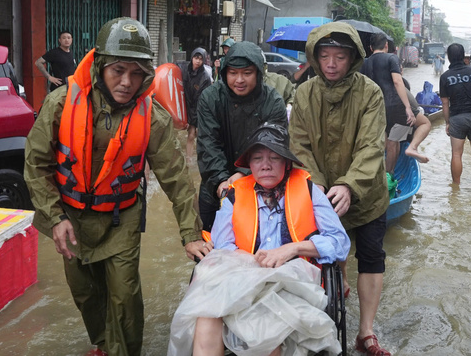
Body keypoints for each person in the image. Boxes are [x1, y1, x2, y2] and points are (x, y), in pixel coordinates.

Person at [23, 17, 209, 356]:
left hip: (119, 219)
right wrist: (54, 217)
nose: (127, 82)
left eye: (137, 73)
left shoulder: (153, 117)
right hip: (71, 217)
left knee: (124, 296)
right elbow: (36, 165)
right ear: (99, 66)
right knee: (85, 293)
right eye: (118, 71)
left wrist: (190, 233)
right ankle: (104, 345)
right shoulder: (61, 104)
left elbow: (177, 179)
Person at [169, 123, 351, 356]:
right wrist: (253, 270)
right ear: (250, 165)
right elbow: (224, 248)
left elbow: (340, 242)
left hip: (295, 283)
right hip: (242, 278)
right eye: (257, 158)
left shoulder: (308, 189)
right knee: (207, 317)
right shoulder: (234, 194)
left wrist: (292, 249)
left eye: (274, 157)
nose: (265, 165)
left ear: (286, 163)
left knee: (265, 328)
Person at [289, 22, 392, 356]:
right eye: (325, 55)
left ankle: (366, 331)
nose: (332, 63)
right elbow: (299, 145)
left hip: (367, 194)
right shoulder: (304, 93)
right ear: (316, 58)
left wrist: (349, 185)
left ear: (352, 59)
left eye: (340, 56)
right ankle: (341, 284)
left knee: (372, 259)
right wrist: (316, 185)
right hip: (322, 193)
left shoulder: (370, 93)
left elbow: (371, 147)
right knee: (333, 251)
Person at [196, 41, 288, 232]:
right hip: (214, 187)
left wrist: (244, 174)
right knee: (209, 249)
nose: (239, 80)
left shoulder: (273, 101)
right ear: (224, 73)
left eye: (247, 73)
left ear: (258, 73)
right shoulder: (210, 98)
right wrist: (221, 181)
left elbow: (274, 147)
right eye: (233, 73)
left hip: (260, 186)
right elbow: (208, 144)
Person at [360, 32, 415, 176]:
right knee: (393, 141)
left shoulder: (364, 62)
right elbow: (398, 82)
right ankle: (389, 175)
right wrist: (408, 107)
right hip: (393, 105)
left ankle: (380, 174)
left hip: (373, 106)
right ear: (386, 45)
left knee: (382, 142)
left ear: (370, 47)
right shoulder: (392, 58)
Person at [439, 43, 471, 184]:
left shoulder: (445, 77)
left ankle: (456, 186)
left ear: (449, 58)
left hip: (456, 118)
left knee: (457, 153)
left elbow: (445, 103)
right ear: (463, 56)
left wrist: (447, 122)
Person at [182, 47, 212, 162]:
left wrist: (194, 118)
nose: (198, 61)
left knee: (198, 135)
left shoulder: (205, 77)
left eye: (200, 59)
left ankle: (201, 160)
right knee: (190, 135)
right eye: (196, 58)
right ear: (192, 58)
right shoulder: (185, 71)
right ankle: (188, 159)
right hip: (188, 107)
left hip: (200, 110)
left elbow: (202, 100)